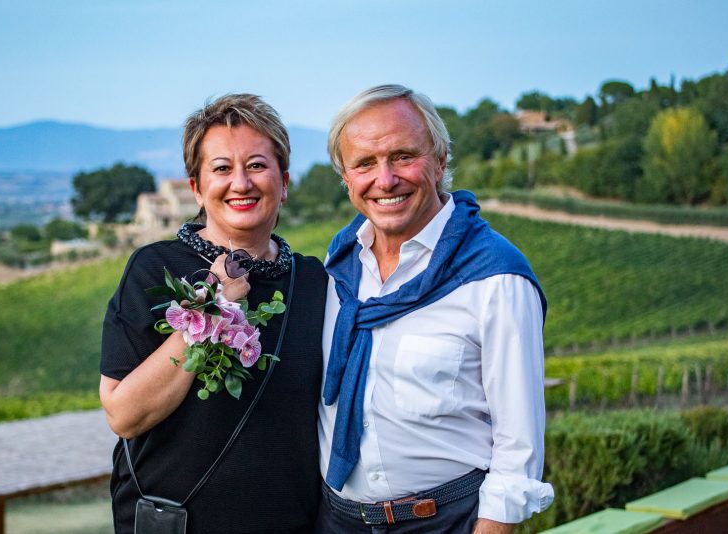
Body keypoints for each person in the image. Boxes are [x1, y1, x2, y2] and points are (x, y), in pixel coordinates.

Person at [316, 84, 554, 534]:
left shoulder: (495, 276)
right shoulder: (337, 270)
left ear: (440, 160)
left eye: (403, 156)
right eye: (365, 163)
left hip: (444, 521)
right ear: (346, 178)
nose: (385, 180)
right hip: (336, 520)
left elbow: (518, 447)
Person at [99, 94, 326, 533]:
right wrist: (213, 307)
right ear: (197, 188)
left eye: (257, 165)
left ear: (284, 181)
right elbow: (124, 415)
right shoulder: (153, 270)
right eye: (221, 169)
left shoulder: (315, 283)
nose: (240, 183)